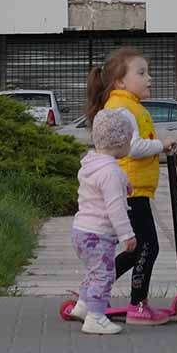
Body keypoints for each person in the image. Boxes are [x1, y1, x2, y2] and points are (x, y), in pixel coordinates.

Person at [87, 46, 174, 324]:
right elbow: (133, 147)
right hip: (130, 188)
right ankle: (137, 305)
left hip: (135, 189)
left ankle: (90, 292)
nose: (149, 78)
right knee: (148, 246)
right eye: (141, 73)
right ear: (120, 81)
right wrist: (163, 145)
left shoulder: (129, 106)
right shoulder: (122, 109)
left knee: (136, 248)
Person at [71, 108, 139, 336]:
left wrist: (124, 184)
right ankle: (95, 317)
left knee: (94, 271)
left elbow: (100, 189)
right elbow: (115, 208)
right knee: (104, 275)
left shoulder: (91, 163)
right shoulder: (111, 171)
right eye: (129, 140)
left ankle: (82, 306)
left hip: (81, 231)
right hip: (99, 234)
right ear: (119, 142)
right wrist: (127, 235)